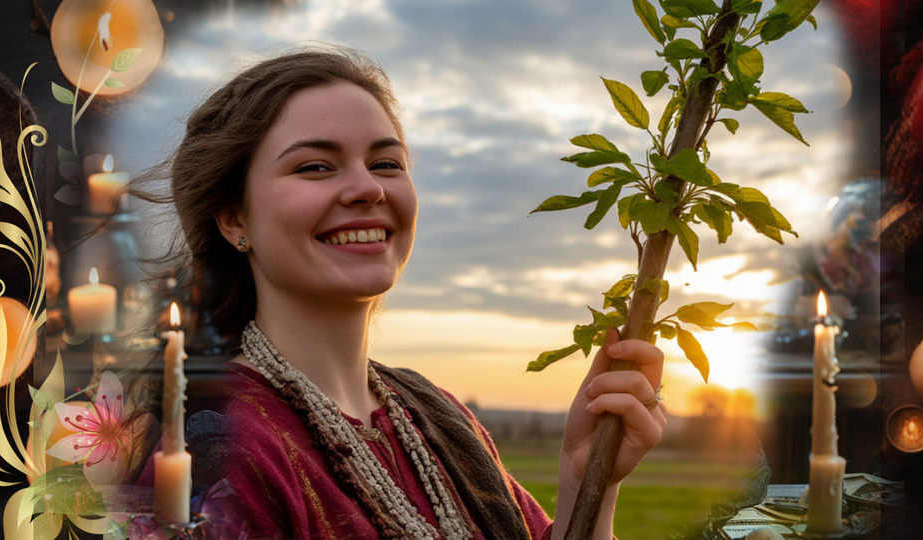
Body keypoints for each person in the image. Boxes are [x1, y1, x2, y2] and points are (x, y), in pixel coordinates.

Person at [157, 47, 667, 540]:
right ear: (232, 217)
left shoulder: (435, 413)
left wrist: (583, 485)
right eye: (315, 166)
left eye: (386, 164)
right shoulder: (216, 444)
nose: (369, 188)